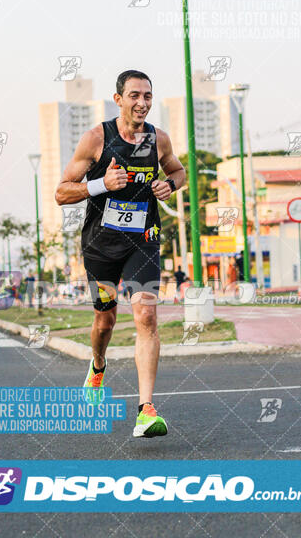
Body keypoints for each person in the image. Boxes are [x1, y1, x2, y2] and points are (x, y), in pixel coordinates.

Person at [55, 70, 186, 438]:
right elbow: (62, 191)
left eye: (147, 95)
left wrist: (169, 185)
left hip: (143, 238)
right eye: (134, 96)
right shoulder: (96, 139)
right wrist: (100, 184)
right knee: (105, 321)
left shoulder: (159, 139)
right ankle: (98, 365)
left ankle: (145, 410)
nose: (142, 102)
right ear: (118, 99)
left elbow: (179, 170)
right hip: (100, 246)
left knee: (145, 313)